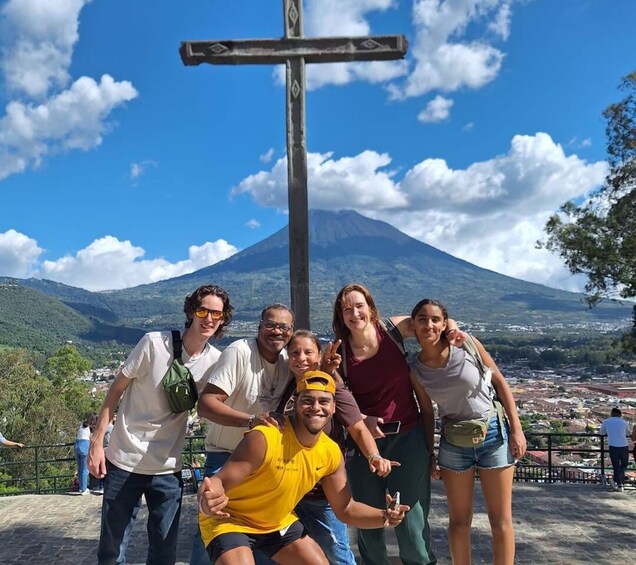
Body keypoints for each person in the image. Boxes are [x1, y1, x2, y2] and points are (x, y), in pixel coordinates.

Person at [198, 372, 410, 565]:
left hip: (277, 522)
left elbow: (346, 509)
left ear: (334, 407)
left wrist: (385, 516)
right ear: (294, 403)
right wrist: (207, 499)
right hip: (231, 519)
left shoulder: (330, 452)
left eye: (324, 401)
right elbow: (218, 482)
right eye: (307, 400)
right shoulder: (266, 437)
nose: (316, 407)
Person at [88, 284, 233, 565]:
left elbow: (220, 402)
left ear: (224, 319)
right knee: (111, 552)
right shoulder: (154, 343)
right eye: (203, 310)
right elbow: (115, 391)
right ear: (191, 311)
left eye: (217, 314)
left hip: (168, 469)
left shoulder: (215, 361)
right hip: (123, 461)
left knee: (164, 553)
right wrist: (96, 443)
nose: (209, 319)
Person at [408, 298, 526, 565]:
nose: (429, 324)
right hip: (453, 441)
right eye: (422, 319)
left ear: (444, 323)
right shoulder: (414, 370)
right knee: (459, 522)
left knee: (500, 520)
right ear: (412, 325)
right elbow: (427, 413)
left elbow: (500, 382)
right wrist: (431, 454)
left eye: (435, 319)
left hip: (493, 433)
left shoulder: (468, 345)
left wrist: (517, 429)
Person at [331, 283, 442, 565]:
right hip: (364, 444)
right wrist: (362, 419)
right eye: (347, 309)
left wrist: (454, 331)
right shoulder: (338, 353)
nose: (355, 313)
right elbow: (338, 399)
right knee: (369, 523)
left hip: (408, 438)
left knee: (412, 523)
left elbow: (432, 318)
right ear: (340, 316)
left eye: (359, 305)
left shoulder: (392, 330)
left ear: (371, 307)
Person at [274, 329, 398, 564]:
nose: (301, 358)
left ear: (319, 355)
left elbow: (359, 428)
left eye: (308, 352)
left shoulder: (333, 390)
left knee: (337, 555)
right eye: (295, 352)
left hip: (321, 494)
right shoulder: (291, 387)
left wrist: (374, 456)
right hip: (287, 493)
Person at [191, 304, 296, 564]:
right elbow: (206, 404)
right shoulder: (239, 352)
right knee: (213, 535)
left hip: (263, 464)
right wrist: (251, 421)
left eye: (283, 327)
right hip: (226, 457)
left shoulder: (286, 360)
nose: (276, 331)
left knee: (261, 538)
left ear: (291, 332)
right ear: (259, 326)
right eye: (271, 324)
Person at [600, 407, 630, 492]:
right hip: (624, 446)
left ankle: (619, 483)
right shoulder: (624, 422)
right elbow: (628, 433)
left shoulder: (606, 422)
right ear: (620, 415)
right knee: (624, 464)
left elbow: (601, 433)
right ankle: (619, 482)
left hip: (613, 446)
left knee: (615, 465)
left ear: (611, 414)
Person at [75, 413, 96, 495]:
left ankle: (81, 487)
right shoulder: (90, 427)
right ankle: (84, 489)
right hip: (84, 444)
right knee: (85, 468)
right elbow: (91, 437)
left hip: (77, 444)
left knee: (80, 468)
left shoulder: (82, 425)